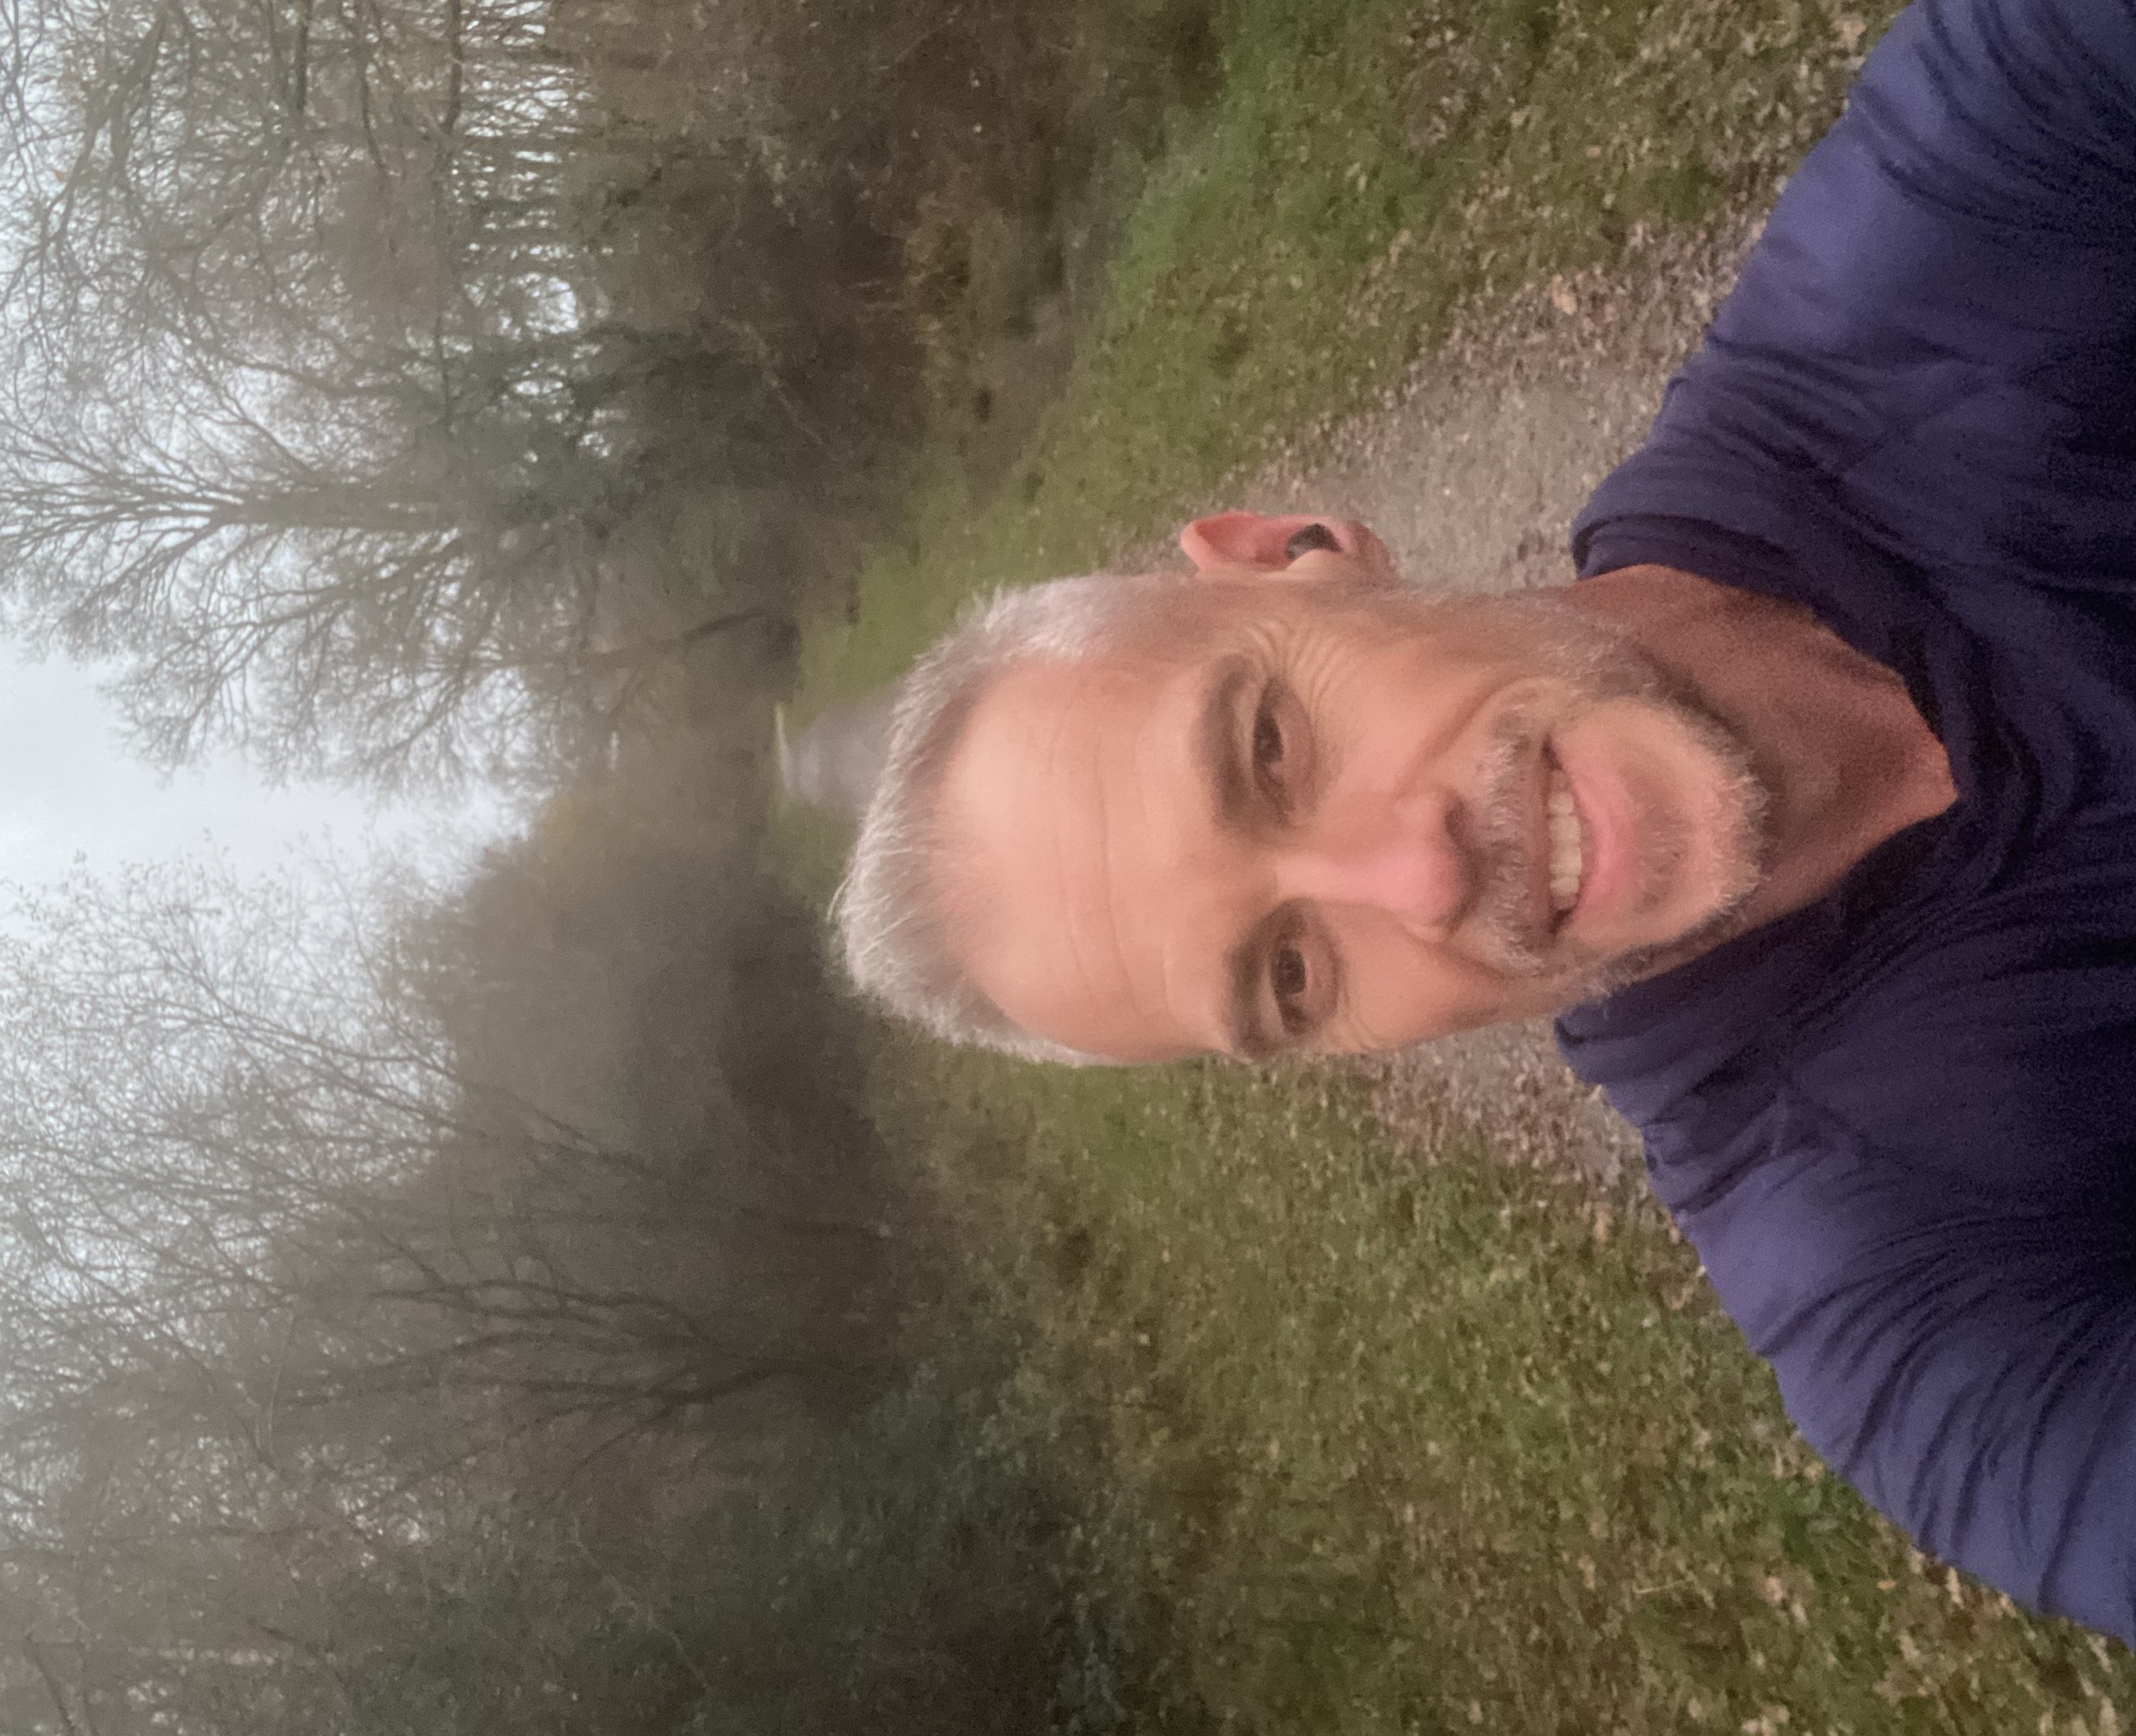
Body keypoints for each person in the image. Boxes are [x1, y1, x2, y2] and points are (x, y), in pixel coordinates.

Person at [835, 0, 2136, 1641]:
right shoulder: (1919, 1313)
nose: (1416, 874)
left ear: (1297, 548)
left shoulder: (1924, 281)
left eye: (1265, 745)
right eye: (1291, 974)